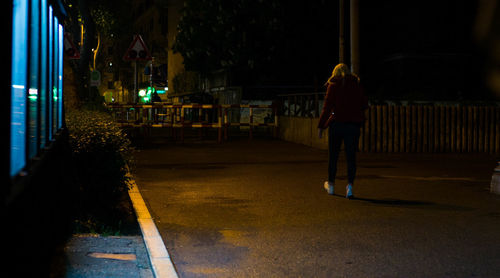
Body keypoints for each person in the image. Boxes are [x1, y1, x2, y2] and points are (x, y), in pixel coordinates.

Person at [318, 63, 368, 199]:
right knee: (351, 157)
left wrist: (321, 126)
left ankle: (331, 185)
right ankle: (350, 187)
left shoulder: (333, 86)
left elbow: (326, 108)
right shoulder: (357, 85)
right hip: (353, 126)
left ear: (335, 73)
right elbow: (364, 104)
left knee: (333, 156)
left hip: (337, 125)